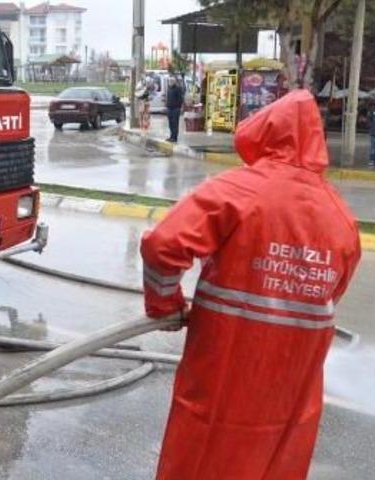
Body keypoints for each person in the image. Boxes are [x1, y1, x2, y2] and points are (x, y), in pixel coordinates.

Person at [140, 90, 361, 479]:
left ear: (265, 133)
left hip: (224, 369)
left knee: (202, 456)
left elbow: (164, 245)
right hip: (293, 385)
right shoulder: (340, 213)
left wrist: (165, 305)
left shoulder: (239, 189)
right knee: (276, 459)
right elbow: (334, 291)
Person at [165, 76, 184, 142]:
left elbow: (180, 99)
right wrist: (166, 106)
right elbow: (168, 98)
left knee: (175, 124)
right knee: (170, 124)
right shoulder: (169, 89)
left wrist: (179, 107)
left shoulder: (177, 89)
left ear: (174, 82)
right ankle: (171, 136)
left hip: (175, 109)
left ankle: (174, 137)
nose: (170, 82)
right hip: (169, 108)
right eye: (169, 81)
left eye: (171, 81)